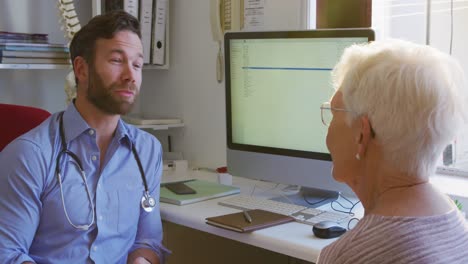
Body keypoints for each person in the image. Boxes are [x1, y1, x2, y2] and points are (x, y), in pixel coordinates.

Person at [0, 11, 169, 263]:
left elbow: (148, 240)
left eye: (136, 64)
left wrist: (141, 260)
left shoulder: (147, 150)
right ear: (81, 69)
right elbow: (8, 254)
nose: (130, 75)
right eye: (116, 60)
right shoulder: (29, 154)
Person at [318, 39, 468, 263]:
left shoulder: (351, 255)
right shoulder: (451, 217)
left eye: (333, 114)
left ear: (361, 133)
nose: (328, 130)